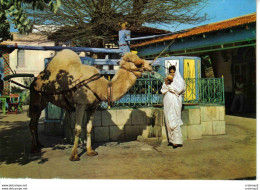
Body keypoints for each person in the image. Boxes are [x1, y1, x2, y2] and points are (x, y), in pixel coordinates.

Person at [161, 65, 186, 149]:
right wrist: (167, 84)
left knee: (175, 121)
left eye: (173, 72)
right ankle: (171, 140)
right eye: (170, 72)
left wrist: (170, 86)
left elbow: (179, 90)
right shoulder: (167, 81)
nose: (172, 74)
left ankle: (177, 141)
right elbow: (163, 90)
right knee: (168, 120)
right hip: (168, 102)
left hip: (175, 102)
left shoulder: (180, 81)